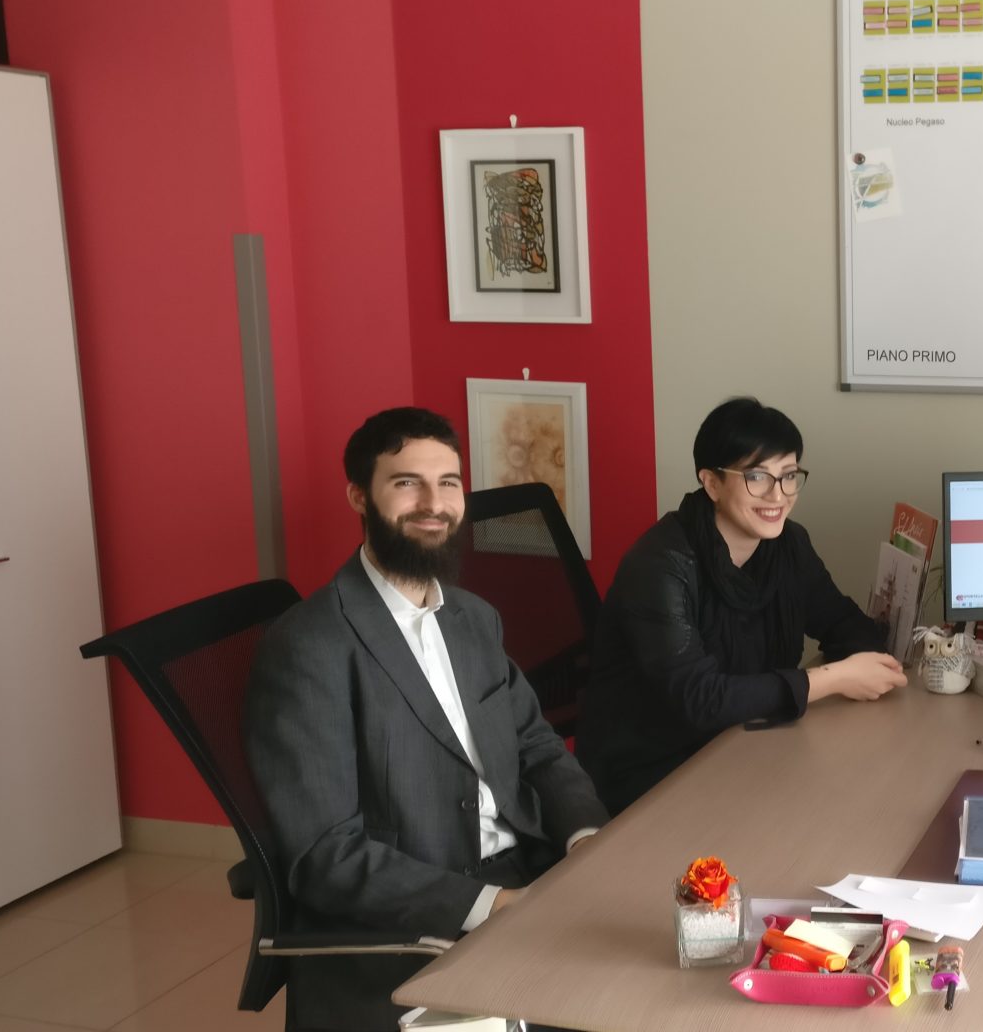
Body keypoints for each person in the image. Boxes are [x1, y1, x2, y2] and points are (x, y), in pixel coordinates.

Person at [245, 407, 609, 1032]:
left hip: (528, 871)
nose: (433, 504)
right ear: (359, 496)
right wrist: (494, 905)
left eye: (448, 483)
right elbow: (324, 855)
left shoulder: (472, 618)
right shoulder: (309, 647)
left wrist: (585, 838)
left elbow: (536, 744)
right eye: (406, 482)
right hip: (421, 918)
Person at [578, 397, 905, 813]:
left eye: (789, 476)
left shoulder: (788, 545)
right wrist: (834, 678)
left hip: (744, 745)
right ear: (711, 483)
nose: (778, 495)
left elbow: (843, 622)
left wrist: (867, 662)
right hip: (652, 772)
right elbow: (700, 700)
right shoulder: (660, 565)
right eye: (757, 477)